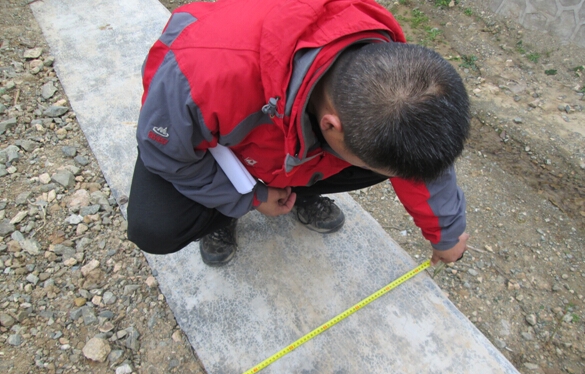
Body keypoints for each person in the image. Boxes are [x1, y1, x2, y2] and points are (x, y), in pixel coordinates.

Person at [127, 0, 470, 267]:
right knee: (156, 227)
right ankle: (222, 214)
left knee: (396, 160)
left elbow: (421, 151)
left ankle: (299, 192)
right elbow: (166, 154)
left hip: (288, 142)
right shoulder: (200, 79)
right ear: (330, 126)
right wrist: (250, 198)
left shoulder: (396, 77)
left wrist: (447, 234)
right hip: (217, 141)